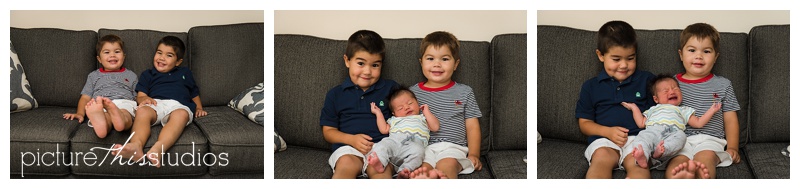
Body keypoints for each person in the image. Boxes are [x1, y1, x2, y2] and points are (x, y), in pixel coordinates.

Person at [111, 36, 208, 168]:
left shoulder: (185, 73)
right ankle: (136, 146)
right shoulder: (148, 74)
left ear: (178, 61)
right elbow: (140, 96)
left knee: (181, 115)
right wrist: (144, 100)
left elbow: (194, 93)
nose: (162, 58)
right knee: (143, 111)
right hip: (155, 103)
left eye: (169, 55)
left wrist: (198, 108)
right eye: (159, 52)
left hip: (179, 106)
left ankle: (158, 149)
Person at [575, 20, 655, 179]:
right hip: (604, 140)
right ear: (601, 55)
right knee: (602, 157)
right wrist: (607, 132)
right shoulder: (591, 87)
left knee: (639, 163)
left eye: (630, 58)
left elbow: (658, 114)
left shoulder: (647, 80)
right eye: (616, 59)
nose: (624, 65)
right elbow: (584, 124)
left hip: (639, 140)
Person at [665, 23, 742, 179]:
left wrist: (733, 147)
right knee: (677, 162)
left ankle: (701, 175)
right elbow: (664, 113)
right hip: (680, 139)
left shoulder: (723, 84)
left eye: (706, 51)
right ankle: (680, 177)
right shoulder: (671, 85)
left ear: (715, 57)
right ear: (681, 55)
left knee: (705, 159)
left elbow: (730, 119)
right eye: (692, 50)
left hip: (710, 139)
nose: (698, 56)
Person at [320, 30, 400, 179]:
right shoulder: (335, 94)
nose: (368, 71)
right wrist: (351, 139)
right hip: (348, 149)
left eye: (375, 65)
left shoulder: (391, 89)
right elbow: (328, 131)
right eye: (361, 63)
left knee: (381, 171)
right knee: (346, 165)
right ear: (347, 61)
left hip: (383, 148)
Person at [407, 31, 482, 179]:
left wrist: (474, 154)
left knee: (447, 165)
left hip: (453, 147)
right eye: (430, 58)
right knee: (421, 169)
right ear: (421, 62)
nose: (437, 64)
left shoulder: (465, 92)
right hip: (424, 148)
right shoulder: (412, 94)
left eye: (445, 59)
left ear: (456, 64)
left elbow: (472, 127)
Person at [621, 74, 721, 169]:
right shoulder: (653, 109)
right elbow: (641, 123)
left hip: (673, 133)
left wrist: (712, 110)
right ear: (656, 99)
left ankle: (662, 152)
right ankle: (643, 156)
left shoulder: (683, 110)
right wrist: (634, 108)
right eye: (665, 91)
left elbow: (698, 123)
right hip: (653, 131)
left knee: (682, 137)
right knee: (642, 137)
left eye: (675, 88)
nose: (672, 92)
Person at [63, 34, 138, 139]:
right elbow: (85, 97)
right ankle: (102, 124)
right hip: (100, 104)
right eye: (107, 52)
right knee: (105, 117)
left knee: (126, 114)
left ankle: (118, 117)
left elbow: (137, 96)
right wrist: (80, 113)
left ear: (123, 56)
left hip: (124, 102)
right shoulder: (94, 76)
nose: (112, 55)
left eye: (117, 52)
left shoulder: (131, 75)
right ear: (99, 59)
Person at [366, 88, 440, 175]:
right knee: (383, 144)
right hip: (395, 141)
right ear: (394, 113)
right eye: (400, 108)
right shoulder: (394, 120)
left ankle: (405, 170)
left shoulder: (422, 118)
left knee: (419, 152)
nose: (406, 107)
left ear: (417, 103)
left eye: (410, 103)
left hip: (414, 143)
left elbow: (435, 127)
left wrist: (426, 111)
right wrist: (378, 113)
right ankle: (380, 162)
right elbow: (383, 129)